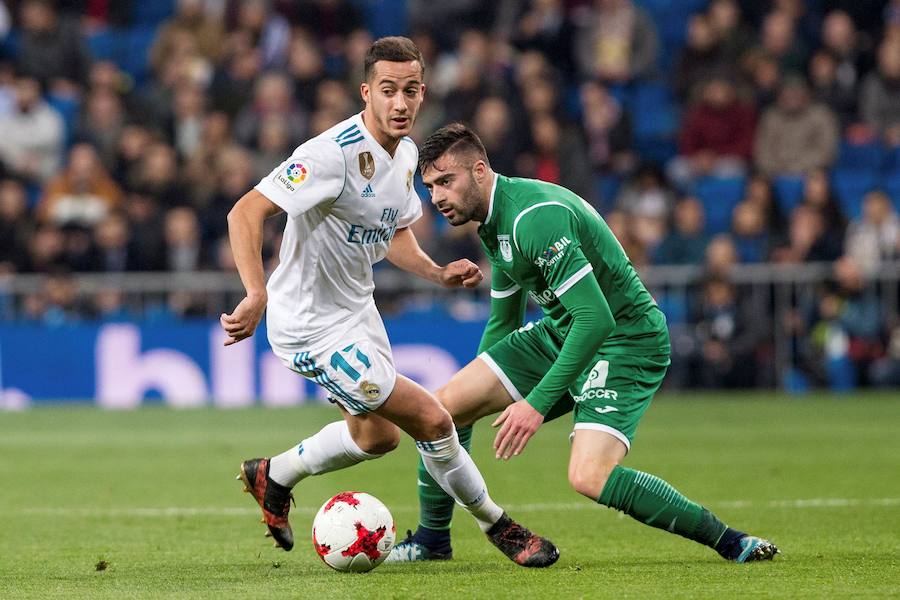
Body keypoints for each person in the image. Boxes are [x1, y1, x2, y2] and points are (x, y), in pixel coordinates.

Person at [221, 37, 558, 568]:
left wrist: (437, 272)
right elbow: (244, 213)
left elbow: (394, 232)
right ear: (366, 92)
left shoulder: (404, 158)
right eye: (387, 91)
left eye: (410, 91)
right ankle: (500, 526)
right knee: (432, 418)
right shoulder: (329, 155)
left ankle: (273, 474)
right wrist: (256, 292)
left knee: (376, 438)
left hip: (356, 313)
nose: (399, 103)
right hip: (309, 326)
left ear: (422, 93)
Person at [387, 123, 778, 564]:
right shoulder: (491, 222)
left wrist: (533, 405)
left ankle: (729, 540)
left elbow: (596, 319)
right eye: (430, 187)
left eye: (445, 182)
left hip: (624, 339)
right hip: (562, 329)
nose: (436, 197)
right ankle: (431, 541)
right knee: (439, 411)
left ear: (479, 170)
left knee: (589, 476)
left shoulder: (533, 218)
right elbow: (504, 324)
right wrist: (482, 397)